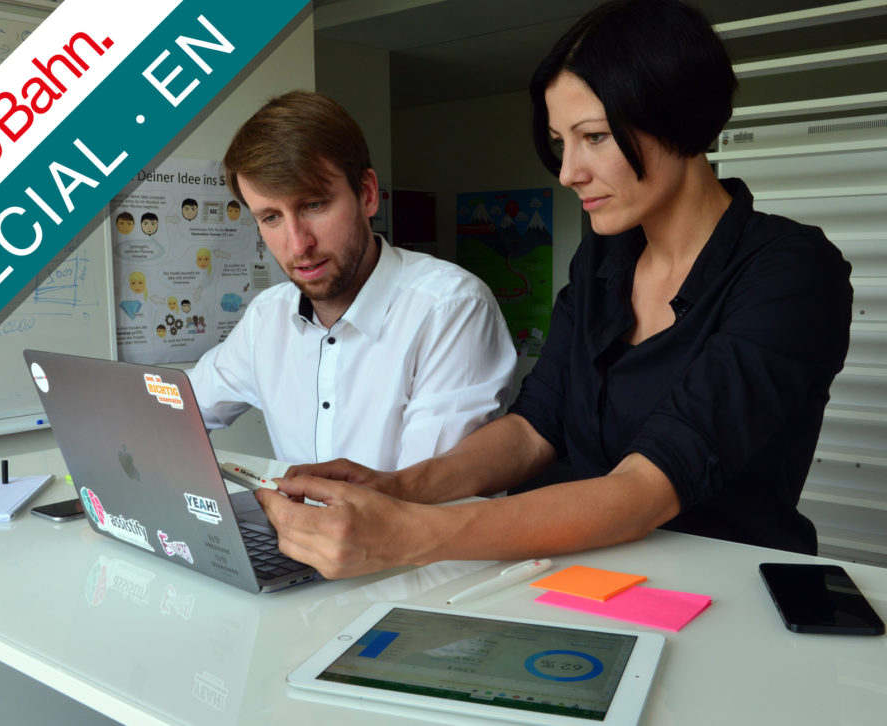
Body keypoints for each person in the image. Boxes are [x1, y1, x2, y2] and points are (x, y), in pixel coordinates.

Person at [255, 0, 853, 578]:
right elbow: (534, 426)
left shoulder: (791, 271)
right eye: (562, 142)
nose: (569, 172)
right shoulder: (605, 257)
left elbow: (645, 489)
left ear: (680, 117)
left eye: (593, 137)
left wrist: (412, 534)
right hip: (590, 580)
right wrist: (397, 488)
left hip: (725, 594)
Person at [188, 90, 516, 471]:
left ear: (367, 194)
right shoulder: (267, 317)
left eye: (313, 205)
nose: (298, 244)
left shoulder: (450, 309)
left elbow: (425, 502)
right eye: (271, 217)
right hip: (298, 531)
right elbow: (176, 410)